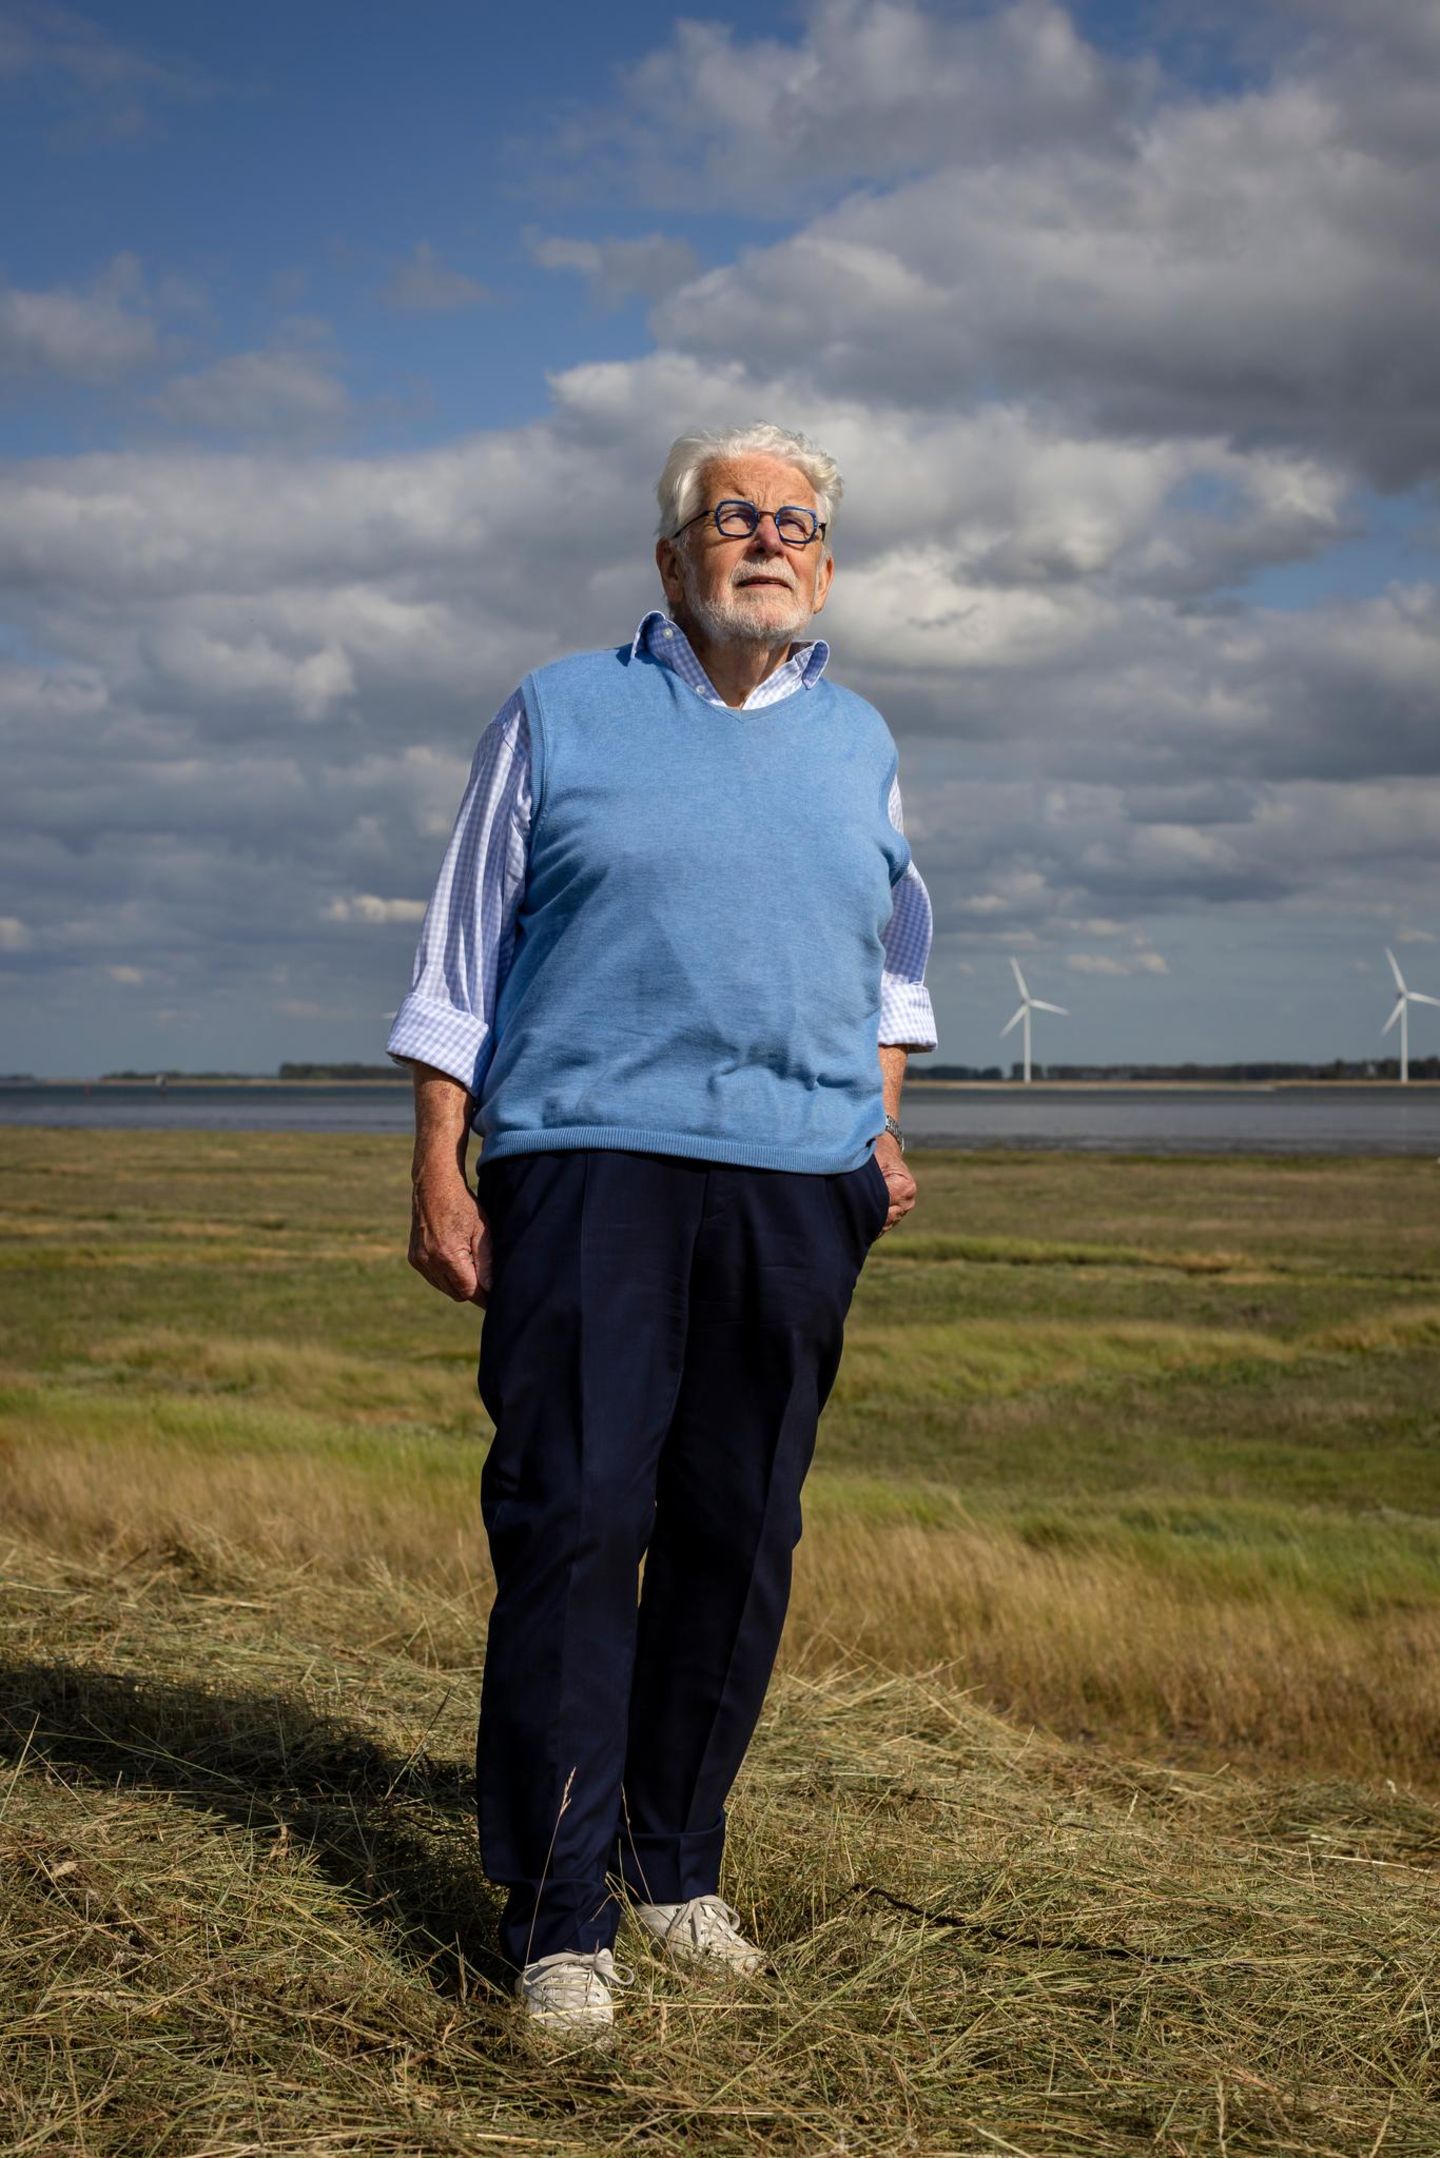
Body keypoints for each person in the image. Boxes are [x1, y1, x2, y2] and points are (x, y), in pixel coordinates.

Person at [387, 421, 938, 2047]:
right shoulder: (562, 709)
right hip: (587, 1161)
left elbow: (896, 964)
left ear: (824, 563)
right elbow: (460, 951)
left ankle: (672, 1862)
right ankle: (558, 1915)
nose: (766, 536)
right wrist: (438, 1158)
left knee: (737, 1524)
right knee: (573, 1512)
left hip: (795, 1180)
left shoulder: (865, 740)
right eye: (733, 514)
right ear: (671, 557)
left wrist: (879, 1125)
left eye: (796, 520)